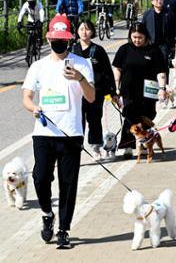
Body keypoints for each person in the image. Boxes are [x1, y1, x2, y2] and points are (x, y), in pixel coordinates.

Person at [22, 14, 95, 249]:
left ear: (70, 39)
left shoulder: (81, 63)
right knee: (40, 177)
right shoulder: (38, 66)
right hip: (44, 131)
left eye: (63, 39)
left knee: (68, 182)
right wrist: (34, 108)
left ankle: (64, 228)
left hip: (71, 132)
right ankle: (46, 213)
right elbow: (27, 97)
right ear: (48, 38)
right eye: (55, 39)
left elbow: (91, 97)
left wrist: (80, 78)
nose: (59, 43)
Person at [112, 23, 168, 157]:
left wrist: (162, 88)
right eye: (134, 37)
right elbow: (117, 68)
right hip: (129, 90)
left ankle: (143, 143)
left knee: (147, 116)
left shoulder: (154, 51)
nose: (137, 40)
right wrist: (116, 87)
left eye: (140, 37)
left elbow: (161, 71)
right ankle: (128, 146)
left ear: (146, 36)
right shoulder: (124, 49)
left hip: (148, 91)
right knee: (130, 116)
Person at [72, 20, 117, 158]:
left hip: (96, 91)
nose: (84, 32)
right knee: (77, 120)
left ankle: (96, 146)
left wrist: (112, 92)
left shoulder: (98, 50)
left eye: (87, 29)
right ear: (77, 32)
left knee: (95, 119)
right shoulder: (72, 50)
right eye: (81, 29)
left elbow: (107, 72)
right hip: (77, 92)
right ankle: (76, 147)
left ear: (92, 32)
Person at [142, 0, 176, 65]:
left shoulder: (169, 13)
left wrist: (173, 45)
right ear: (152, 2)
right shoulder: (147, 14)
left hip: (164, 45)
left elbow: (173, 30)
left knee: (163, 66)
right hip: (150, 45)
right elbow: (143, 29)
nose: (159, 1)